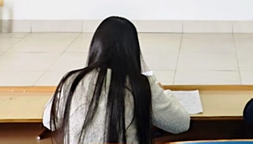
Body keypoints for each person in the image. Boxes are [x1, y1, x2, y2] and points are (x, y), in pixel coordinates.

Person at [43, 16, 190, 144]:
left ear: (96, 47)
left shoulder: (72, 81)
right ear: (132, 50)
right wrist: (166, 94)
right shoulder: (141, 84)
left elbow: (49, 121)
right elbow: (180, 124)